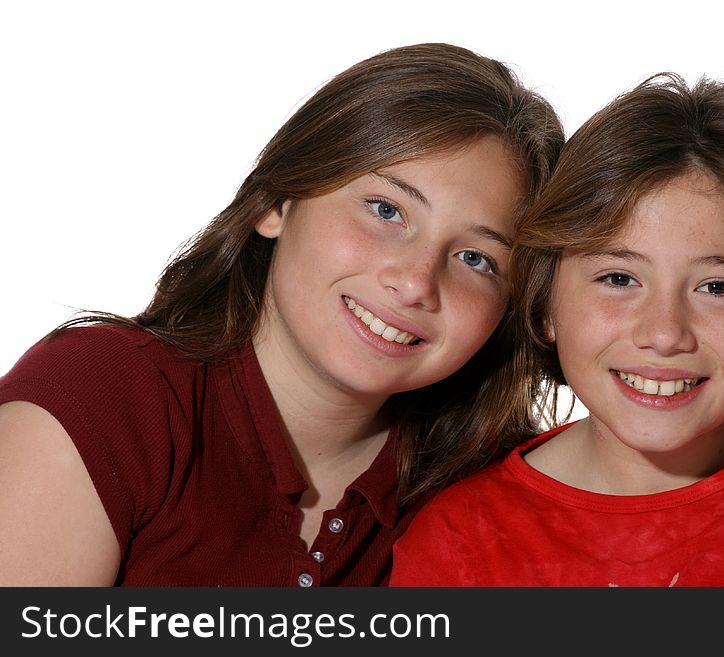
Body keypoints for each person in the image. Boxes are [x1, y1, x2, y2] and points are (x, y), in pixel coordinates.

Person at [0, 43, 564, 586]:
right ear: (277, 202)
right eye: (386, 210)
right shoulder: (103, 398)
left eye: (476, 258)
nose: (416, 283)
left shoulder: (504, 488)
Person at [390, 73, 724, 586]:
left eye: (717, 288)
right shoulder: (461, 543)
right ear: (545, 306)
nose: (665, 334)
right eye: (619, 278)